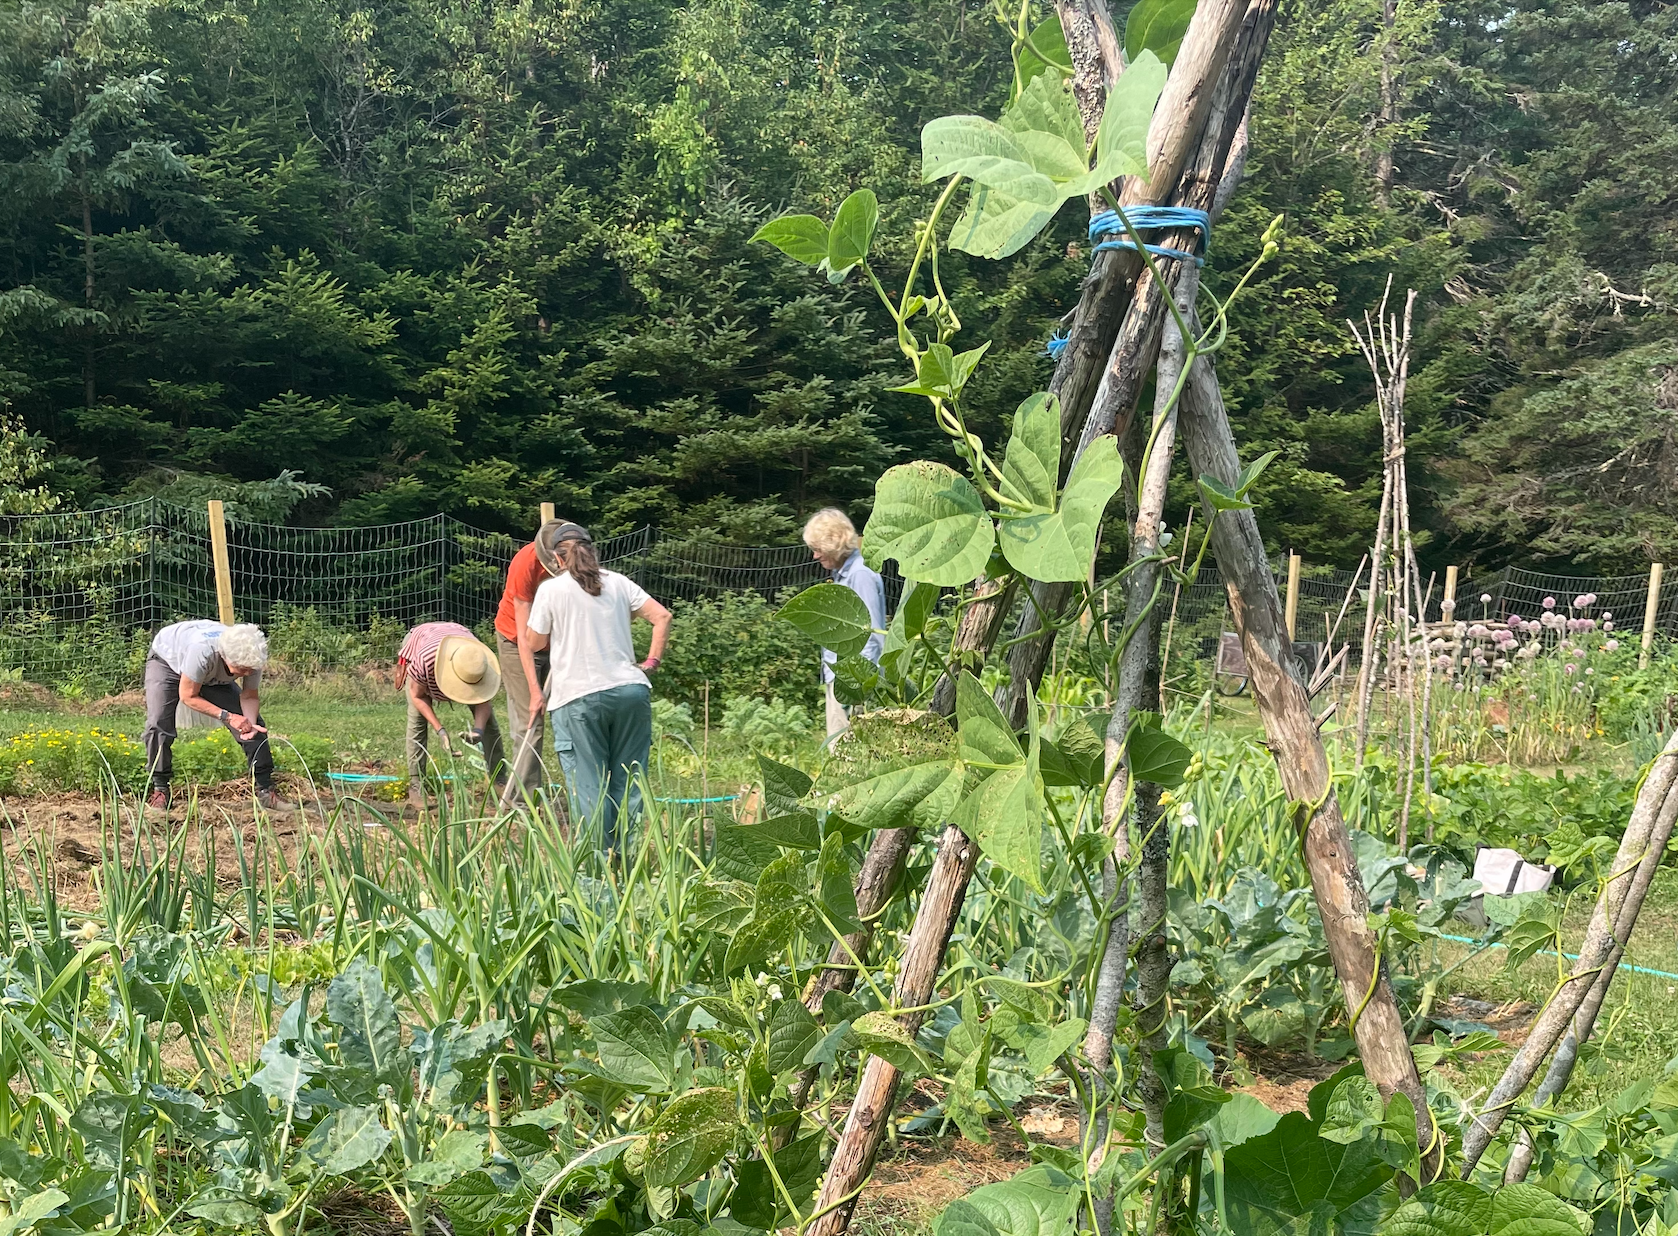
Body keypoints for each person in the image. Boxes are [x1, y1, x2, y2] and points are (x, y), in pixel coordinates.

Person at [523, 522, 671, 849]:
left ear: (557, 559)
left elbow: (534, 642)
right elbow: (662, 616)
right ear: (592, 551)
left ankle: (597, 871)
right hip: (630, 690)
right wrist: (650, 664)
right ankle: (628, 864)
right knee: (629, 781)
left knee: (589, 784)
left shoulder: (551, 589)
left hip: (577, 697)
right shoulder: (618, 583)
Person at [143, 620, 291, 813]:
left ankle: (265, 789)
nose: (247, 673)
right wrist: (228, 717)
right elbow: (188, 696)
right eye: (242, 669)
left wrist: (249, 723)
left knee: (256, 728)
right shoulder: (202, 652)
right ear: (226, 657)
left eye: (250, 670)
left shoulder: (252, 657)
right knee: (158, 723)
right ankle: (160, 789)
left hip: (210, 670)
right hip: (167, 660)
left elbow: (249, 695)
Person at [494, 518, 567, 808]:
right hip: (516, 640)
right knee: (530, 722)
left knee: (567, 717)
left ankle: (583, 793)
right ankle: (524, 799)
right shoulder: (525, 564)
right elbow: (525, 637)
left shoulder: (577, 559)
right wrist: (536, 691)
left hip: (557, 642)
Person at [396, 622, 505, 807]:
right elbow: (417, 696)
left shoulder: (477, 660)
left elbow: (483, 702)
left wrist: (478, 731)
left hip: (459, 638)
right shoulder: (424, 661)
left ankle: (499, 780)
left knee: (490, 726)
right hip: (423, 642)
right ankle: (416, 786)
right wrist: (440, 731)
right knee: (417, 722)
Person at [802, 508, 886, 738]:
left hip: (854, 682)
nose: (815, 556)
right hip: (843, 677)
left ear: (834, 543)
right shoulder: (844, 573)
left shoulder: (860, 574)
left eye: (817, 549)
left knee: (845, 750)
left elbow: (870, 632)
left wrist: (857, 686)